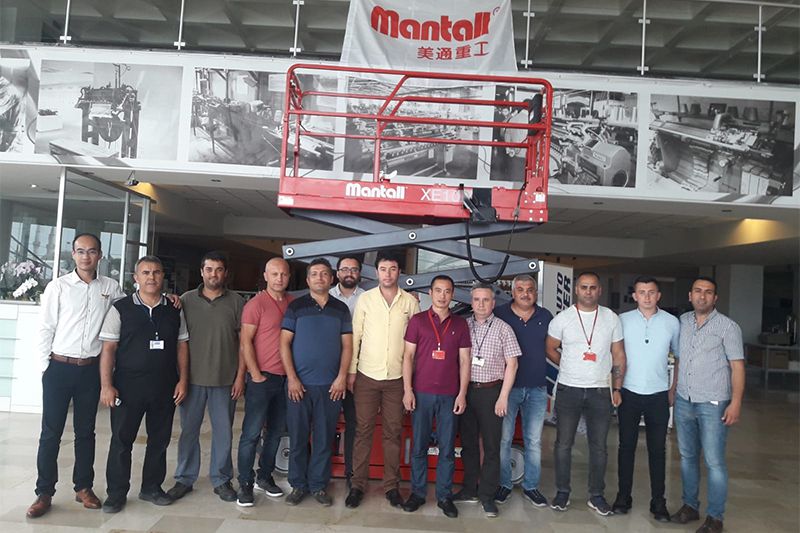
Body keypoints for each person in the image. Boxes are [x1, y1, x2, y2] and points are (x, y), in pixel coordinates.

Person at [27, 233, 125, 518]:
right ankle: (44, 492)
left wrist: (168, 298)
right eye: (80, 251)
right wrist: (46, 368)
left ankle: (83, 487)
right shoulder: (58, 287)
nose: (86, 256)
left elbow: (129, 311)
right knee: (51, 433)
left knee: (86, 432)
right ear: (73, 254)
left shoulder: (110, 287)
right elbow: (45, 327)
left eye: (91, 251)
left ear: (100, 255)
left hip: (90, 370)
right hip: (59, 367)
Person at [98, 256, 189, 513]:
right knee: (121, 441)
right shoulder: (120, 308)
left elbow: (182, 346)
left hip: (164, 386)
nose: (151, 277)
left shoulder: (174, 309)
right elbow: (108, 349)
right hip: (127, 387)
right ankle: (116, 493)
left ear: (163, 277)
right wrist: (106, 385)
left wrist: (183, 380)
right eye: (146, 272)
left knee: (159, 440)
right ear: (136, 278)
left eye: (156, 272)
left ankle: (151, 488)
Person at [545, 271, 626, 516]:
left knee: (599, 447)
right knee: (563, 444)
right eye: (583, 287)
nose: (588, 291)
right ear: (576, 290)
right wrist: (568, 365)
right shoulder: (562, 319)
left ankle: (597, 495)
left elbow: (618, 354)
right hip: (568, 388)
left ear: (599, 290)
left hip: (600, 390)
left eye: (592, 287)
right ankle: (562, 492)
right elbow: (550, 348)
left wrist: (617, 387)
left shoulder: (611, 318)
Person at [167, 251, 245, 503]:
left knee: (224, 433)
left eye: (219, 269)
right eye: (209, 269)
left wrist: (240, 376)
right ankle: (184, 478)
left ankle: (221, 479)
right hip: (191, 379)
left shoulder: (237, 302)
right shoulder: (185, 300)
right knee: (189, 431)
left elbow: (244, 343)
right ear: (201, 272)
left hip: (225, 379)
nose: (214, 274)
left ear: (225, 273)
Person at [345, 253, 420, 509]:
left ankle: (391, 487)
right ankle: (357, 485)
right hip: (366, 376)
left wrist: (411, 382)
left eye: (393, 269)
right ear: (376, 272)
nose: (388, 274)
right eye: (383, 269)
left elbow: (416, 344)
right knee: (363, 431)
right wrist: (352, 371)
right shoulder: (365, 299)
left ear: (399, 272)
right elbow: (356, 336)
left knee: (393, 433)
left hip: (397, 379)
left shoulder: (409, 302)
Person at [671, 276, 744, 533]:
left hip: (713, 403)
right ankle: (690, 506)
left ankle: (715, 518)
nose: (702, 296)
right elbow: (679, 359)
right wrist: (673, 388)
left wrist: (736, 403)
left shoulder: (728, 327)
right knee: (687, 457)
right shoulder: (682, 322)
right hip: (684, 400)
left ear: (715, 298)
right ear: (690, 295)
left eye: (708, 292)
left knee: (714, 462)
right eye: (698, 291)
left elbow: (737, 367)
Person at [280, 258, 353, 506]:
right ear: (308, 279)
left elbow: (347, 346)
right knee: (298, 438)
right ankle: (298, 485)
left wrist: (341, 377)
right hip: (298, 386)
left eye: (324, 274)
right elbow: (284, 343)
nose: (319, 278)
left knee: (323, 439)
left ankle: (319, 486)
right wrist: (292, 379)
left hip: (330, 387)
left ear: (331, 278)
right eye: (314, 274)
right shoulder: (296, 307)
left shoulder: (341, 309)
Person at [401, 275, 471, 518]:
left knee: (447, 448)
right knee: (419, 446)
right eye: (438, 290)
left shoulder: (460, 324)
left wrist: (462, 394)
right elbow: (408, 357)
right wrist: (408, 390)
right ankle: (418, 494)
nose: (442, 295)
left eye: (447, 291)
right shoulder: (418, 321)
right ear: (430, 293)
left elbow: (465, 361)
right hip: (421, 393)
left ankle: (444, 496)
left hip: (449, 395)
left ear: (452, 294)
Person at [612, 276, 679, 521]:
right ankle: (623, 497)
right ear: (635, 296)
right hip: (628, 392)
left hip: (658, 394)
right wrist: (616, 388)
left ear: (658, 295)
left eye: (652, 292)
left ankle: (658, 502)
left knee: (658, 450)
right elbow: (616, 356)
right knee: (626, 447)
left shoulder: (672, 322)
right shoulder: (622, 320)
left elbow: (679, 357)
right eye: (642, 292)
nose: (647, 297)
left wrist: (673, 389)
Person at [454, 283, 520, 518]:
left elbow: (512, 364)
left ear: (493, 303)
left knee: (492, 446)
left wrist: (503, 396)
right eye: (477, 300)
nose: (481, 304)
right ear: (471, 303)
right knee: (469, 443)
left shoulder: (504, 328)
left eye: (486, 300)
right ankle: (469, 489)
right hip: (466, 391)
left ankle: (487, 496)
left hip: (492, 392)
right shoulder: (463, 326)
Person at [236, 257, 293, 506]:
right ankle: (245, 483)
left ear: (289, 277)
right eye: (275, 274)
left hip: (285, 379)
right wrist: (255, 374)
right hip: (262, 378)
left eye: (283, 274)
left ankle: (265, 476)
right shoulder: (255, 304)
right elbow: (245, 342)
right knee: (251, 433)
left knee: (275, 433)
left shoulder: (293, 303)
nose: (279, 278)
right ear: (266, 276)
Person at [493, 275, 553, 508]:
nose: (525, 294)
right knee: (504, 439)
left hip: (537, 388)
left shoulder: (545, 316)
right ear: (513, 292)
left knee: (534, 441)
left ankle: (531, 487)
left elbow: (552, 348)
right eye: (520, 289)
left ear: (536, 293)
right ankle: (504, 484)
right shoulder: (500, 314)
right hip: (507, 388)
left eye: (530, 290)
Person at [329, 256, 365, 485]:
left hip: (356, 372)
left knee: (355, 424)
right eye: (345, 269)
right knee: (325, 423)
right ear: (337, 273)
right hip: (328, 369)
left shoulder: (368, 298)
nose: (349, 273)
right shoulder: (326, 297)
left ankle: (352, 473)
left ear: (359, 273)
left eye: (354, 269)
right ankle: (320, 474)